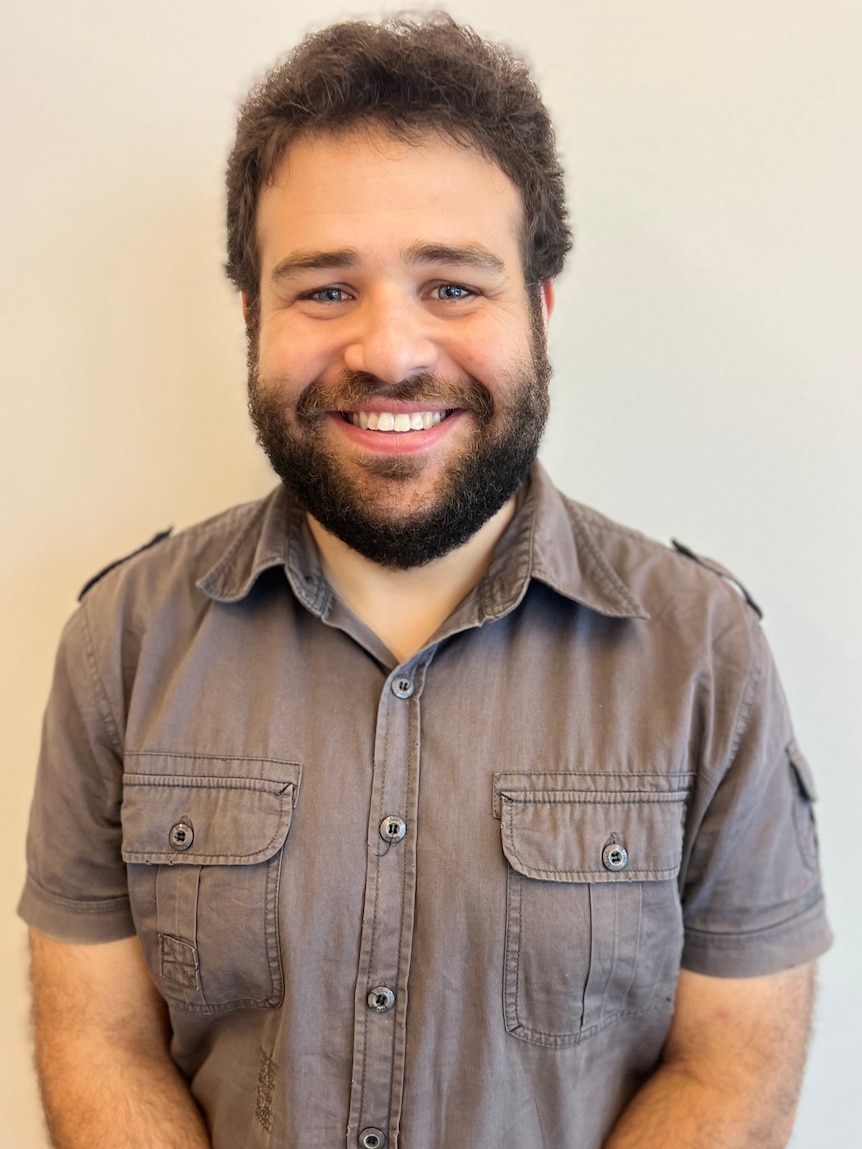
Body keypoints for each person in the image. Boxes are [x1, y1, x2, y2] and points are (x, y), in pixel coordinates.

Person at [19, 14, 831, 1149]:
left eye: (452, 287)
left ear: (539, 313)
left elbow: (730, 1065)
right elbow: (101, 1043)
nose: (390, 352)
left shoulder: (702, 651)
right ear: (252, 317)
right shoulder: (123, 641)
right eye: (323, 291)